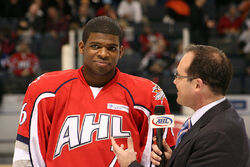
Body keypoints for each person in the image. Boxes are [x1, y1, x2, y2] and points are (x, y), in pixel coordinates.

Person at [12, 16, 175, 167]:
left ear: (121, 52)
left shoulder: (151, 94)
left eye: (111, 48)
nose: (103, 54)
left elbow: (164, 156)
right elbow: (25, 153)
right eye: (95, 46)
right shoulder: (44, 90)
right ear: (82, 47)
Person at [112, 44, 249, 167]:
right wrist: (175, 160)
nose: (174, 82)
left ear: (197, 85)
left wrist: (130, 164)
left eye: (178, 76)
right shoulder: (216, 120)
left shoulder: (218, 135)